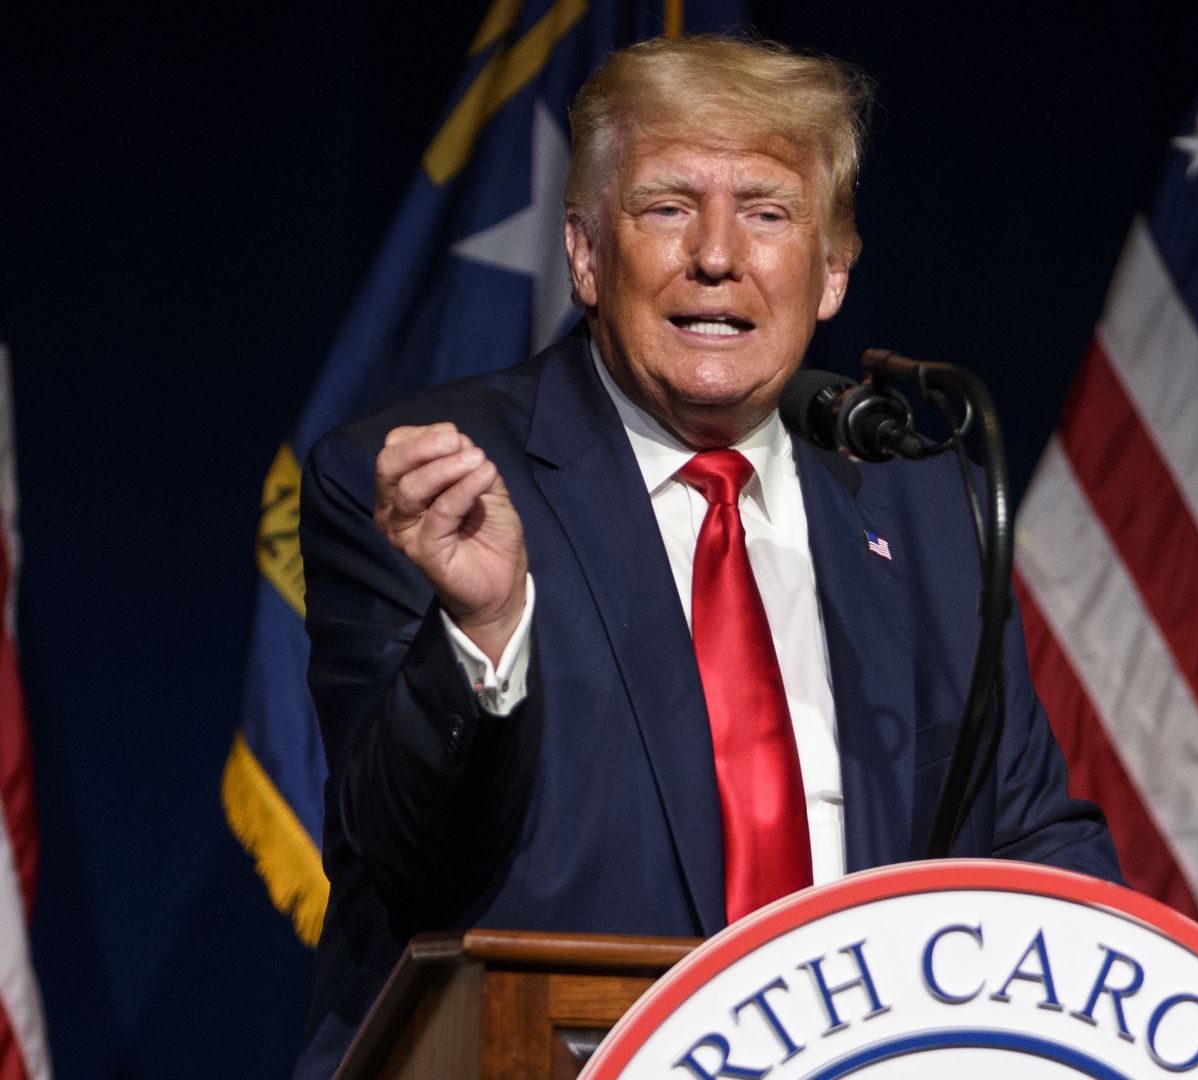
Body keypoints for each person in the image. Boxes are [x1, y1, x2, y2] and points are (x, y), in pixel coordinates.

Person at [292, 34, 1120, 1077]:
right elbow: (408, 863)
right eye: (668, 207)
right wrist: (485, 632)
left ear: (830, 272)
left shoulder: (922, 505)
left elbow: (1026, 834)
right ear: (587, 252)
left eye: (768, 213)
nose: (718, 255)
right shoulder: (432, 488)